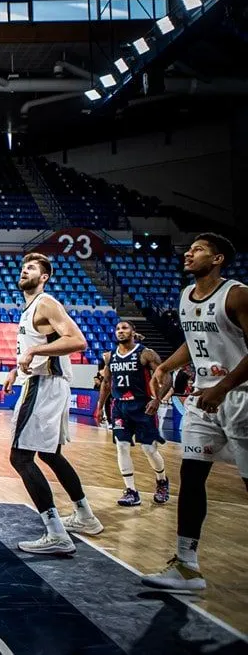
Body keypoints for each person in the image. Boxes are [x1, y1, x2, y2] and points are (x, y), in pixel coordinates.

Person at [143, 233, 248, 593]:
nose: (189, 253)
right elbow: (194, 340)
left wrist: (224, 387)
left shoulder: (237, 294)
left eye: (199, 249)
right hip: (203, 399)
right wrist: (165, 367)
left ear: (218, 259)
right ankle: (186, 566)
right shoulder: (186, 296)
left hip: (239, 398)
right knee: (191, 477)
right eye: (189, 248)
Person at [2, 253, 104, 556]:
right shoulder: (31, 308)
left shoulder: (45, 302)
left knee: (20, 458)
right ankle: (85, 516)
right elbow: (40, 349)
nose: (24, 270)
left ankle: (56, 533)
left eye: (31, 268)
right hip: (47, 383)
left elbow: (78, 341)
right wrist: (16, 368)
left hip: (44, 386)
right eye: (23, 267)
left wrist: (33, 351)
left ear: (44, 277)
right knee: (50, 454)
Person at [96, 321, 171, 507]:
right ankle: (131, 491)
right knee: (121, 446)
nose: (121, 331)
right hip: (120, 407)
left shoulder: (146, 353)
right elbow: (106, 383)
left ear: (133, 332)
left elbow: (167, 376)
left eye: (125, 328)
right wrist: (99, 407)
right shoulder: (110, 357)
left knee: (149, 449)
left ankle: (162, 480)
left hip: (143, 406)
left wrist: (157, 399)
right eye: (118, 329)